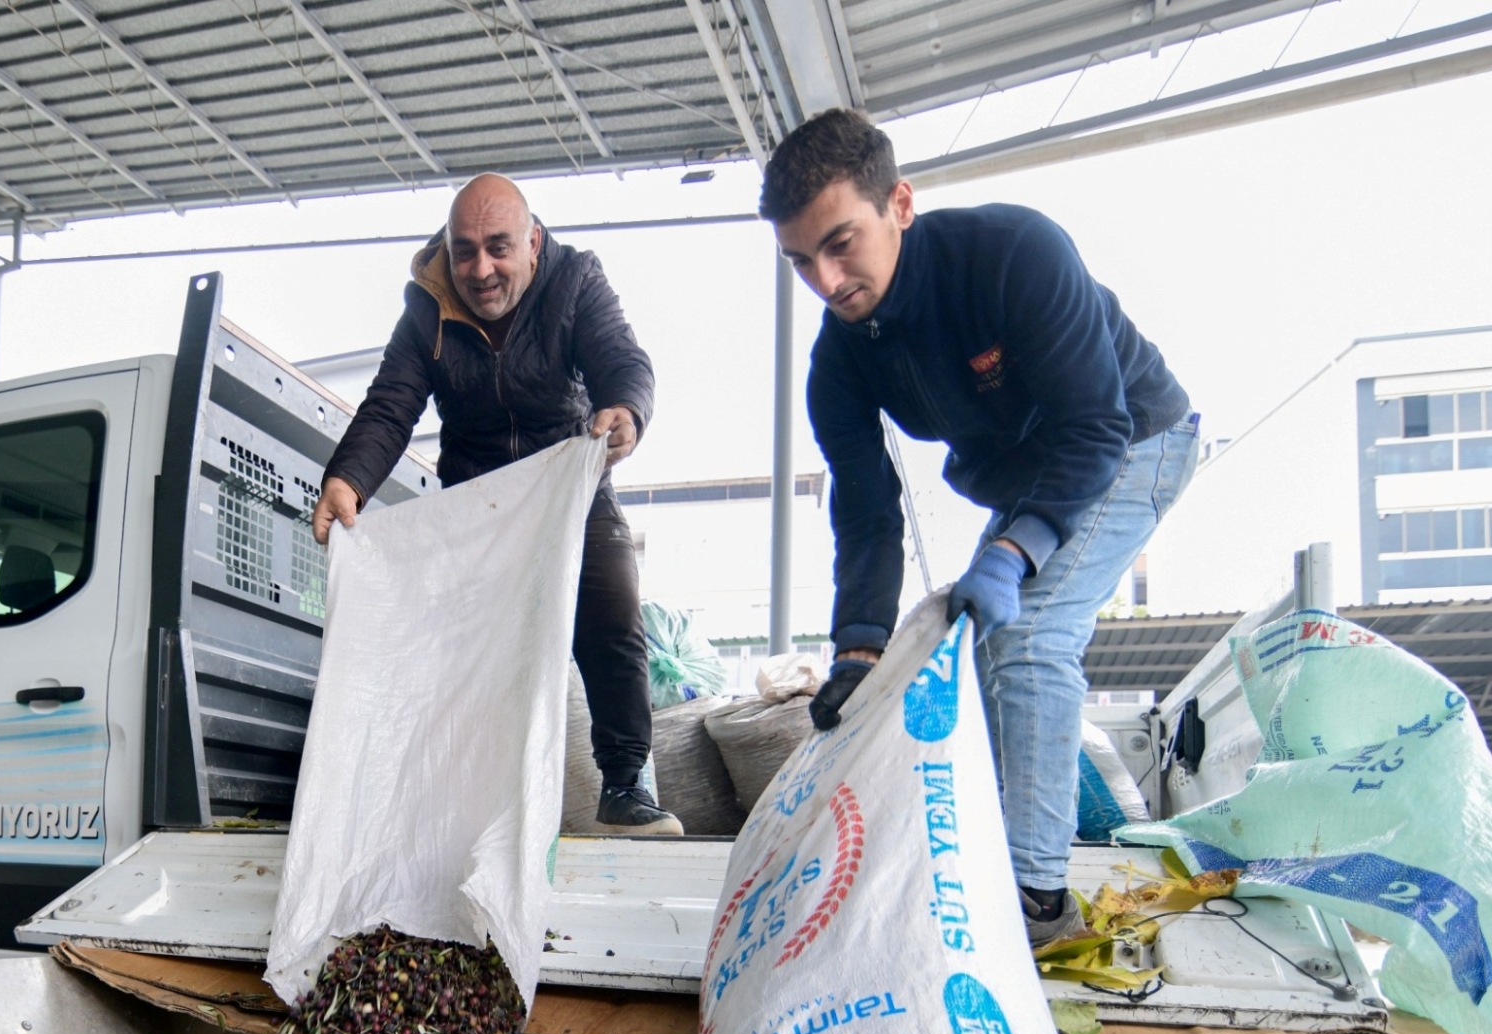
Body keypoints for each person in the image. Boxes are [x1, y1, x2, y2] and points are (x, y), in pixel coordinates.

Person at [761, 109, 1198, 945]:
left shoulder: (1012, 254)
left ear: (899, 203)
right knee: (974, 636)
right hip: (1034, 470)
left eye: (840, 243)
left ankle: (1036, 902)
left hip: (1131, 436)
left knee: (1027, 632)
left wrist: (1015, 547)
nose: (824, 279)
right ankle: (991, 852)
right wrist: (858, 650)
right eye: (799, 261)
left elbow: (1093, 428)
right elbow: (863, 504)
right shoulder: (839, 357)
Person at [314, 174, 681, 835]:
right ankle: (471, 801)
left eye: (498, 248)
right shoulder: (426, 304)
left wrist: (626, 410)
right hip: (476, 498)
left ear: (533, 243)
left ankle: (625, 785)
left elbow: (622, 359)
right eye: (464, 251)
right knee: (472, 650)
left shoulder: (575, 281)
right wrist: (348, 479)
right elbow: (391, 404)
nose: (479, 270)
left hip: (568, 483)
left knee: (612, 615)